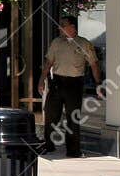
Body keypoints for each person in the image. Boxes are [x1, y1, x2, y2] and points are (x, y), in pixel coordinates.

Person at [41, 16, 102, 158]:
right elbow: (48, 63)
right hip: (57, 82)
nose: (59, 27)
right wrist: (41, 81)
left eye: (62, 25)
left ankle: (73, 150)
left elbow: (94, 64)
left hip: (74, 84)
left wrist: (98, 83)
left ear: (72, 27)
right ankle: (48, 145)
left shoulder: (84, 43)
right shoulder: (56, 42)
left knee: (73, 118)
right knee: (51, 115)